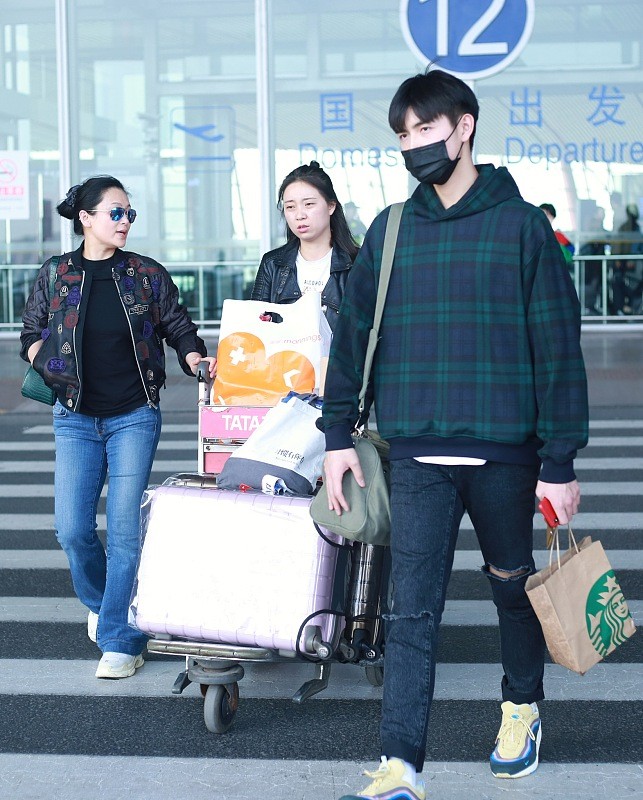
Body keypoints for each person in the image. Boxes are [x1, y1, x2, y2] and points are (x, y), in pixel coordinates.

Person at [320, 70, 588, 800]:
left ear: (462, 127)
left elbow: (556, 348)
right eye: (402, 135)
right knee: (409, 609)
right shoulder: (392, 229)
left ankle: (520, 707)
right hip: (415, 455)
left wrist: (557, 462)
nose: (412, 146)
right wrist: (337, 432)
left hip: (505, 452)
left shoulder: (521, 226)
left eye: (423, 130)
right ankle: (401, 764)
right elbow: (354, 338)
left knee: (512, 590)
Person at [20, 176, 216, 680]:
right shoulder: (56, 274)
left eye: (129, 213)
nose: (125, 221)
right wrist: (45, 363)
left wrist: (194, 356)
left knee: (125, 531)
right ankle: (106, 600)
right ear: (85, 218)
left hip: (134, 415)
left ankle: (121, 638)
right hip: (75, 416)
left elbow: (177, 325)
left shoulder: (146, 274)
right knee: (73, 530)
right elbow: (31, 333)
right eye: (115, 213)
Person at [250, 161, 360, 334]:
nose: (299, 215)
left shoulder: (357, 263)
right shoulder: (272, 263)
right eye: (290, 207)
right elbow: (255, 328)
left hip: (339, 361)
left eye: (308, 204)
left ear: (331, 206)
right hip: (283, 360)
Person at [611, 202, 643, 315]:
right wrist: (619, 259)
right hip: (625, 265)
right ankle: (623, 308)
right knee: (622, 283)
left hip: (635, 266)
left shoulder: (636, 229)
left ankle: (630, 307)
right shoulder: (625, 228)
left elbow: (638, 245)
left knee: (633, 285)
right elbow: (619, 244)